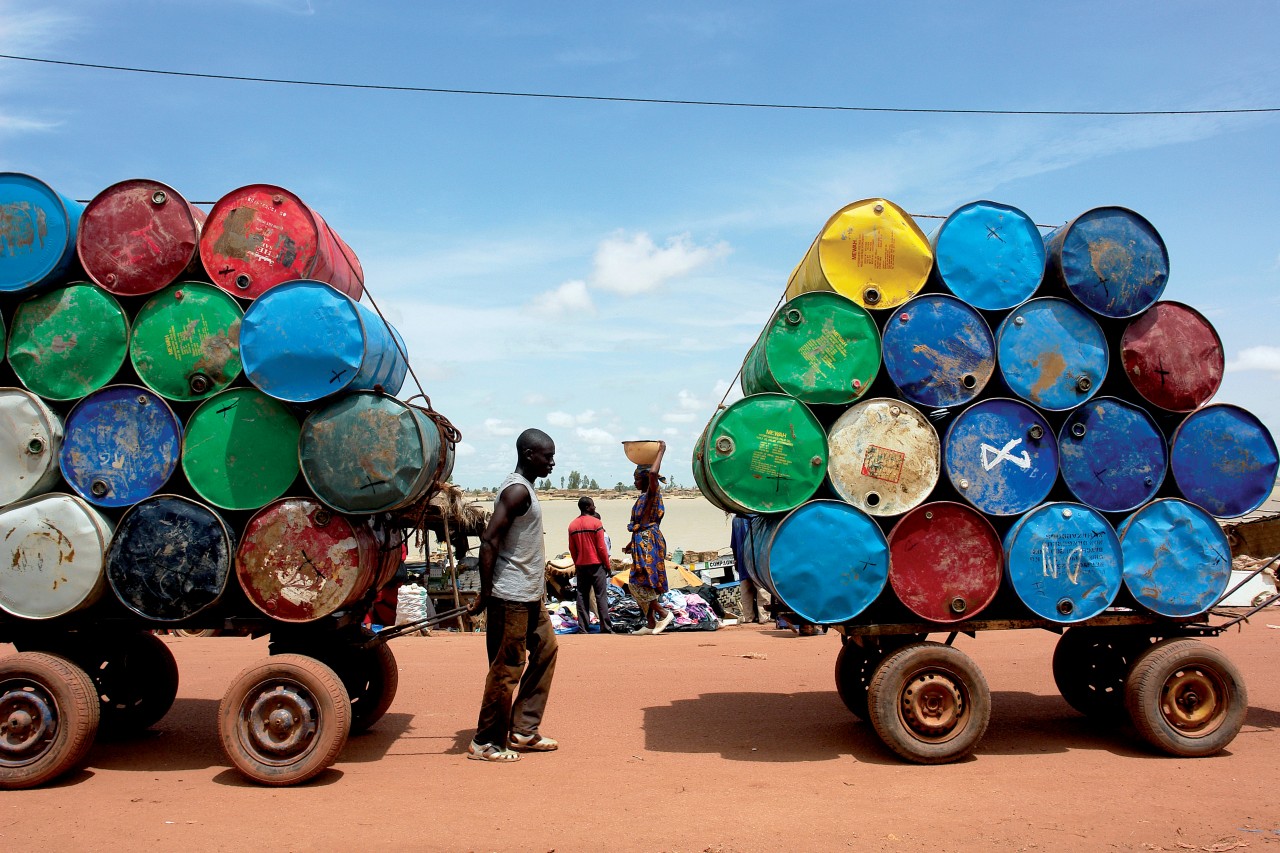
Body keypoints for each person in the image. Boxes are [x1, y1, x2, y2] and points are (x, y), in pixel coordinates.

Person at [465, 428, 560, 762]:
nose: (552, 462)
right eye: (547, 456)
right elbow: (489, 540)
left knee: (547, 649)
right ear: (528, 454)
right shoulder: (517, 491)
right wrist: (485, 594)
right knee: (507, 668)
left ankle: (522, 729)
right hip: (512, 595)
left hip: (531, 595)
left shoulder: (527, 490)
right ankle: (485, 742)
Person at [626, 440, 674, 635]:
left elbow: (654, 473)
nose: (634, 482)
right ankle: (651, 622)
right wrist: (631, 543)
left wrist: (660, 452)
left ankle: (663, 613)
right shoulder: (642, 496)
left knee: (638, 581)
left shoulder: (653, 493)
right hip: (640, 541)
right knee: (641, 581)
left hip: (649, 542)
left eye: (637, 478)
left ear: (645, 479)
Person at [568, 496, 612, 633]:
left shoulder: (572, 525)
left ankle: (583, 628)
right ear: (587, 507)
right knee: (601, 596)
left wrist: (577, 563)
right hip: (597, 565)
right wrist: (607, 565)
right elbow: (601, 547)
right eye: (593, 505)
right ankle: (605, 627)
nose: (594, 508)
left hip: (581, 566)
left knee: (581, 596)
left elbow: (572, 548)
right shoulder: (596, 523)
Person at [730, 514, 772, 625]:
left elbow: (733, 544)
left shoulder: (736, 519)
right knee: (762, 588)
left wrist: (736, 561)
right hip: (757, 560)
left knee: (746, 590)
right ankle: (764, 616)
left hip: (742, 559)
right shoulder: (759, 518)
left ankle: (748, 616)